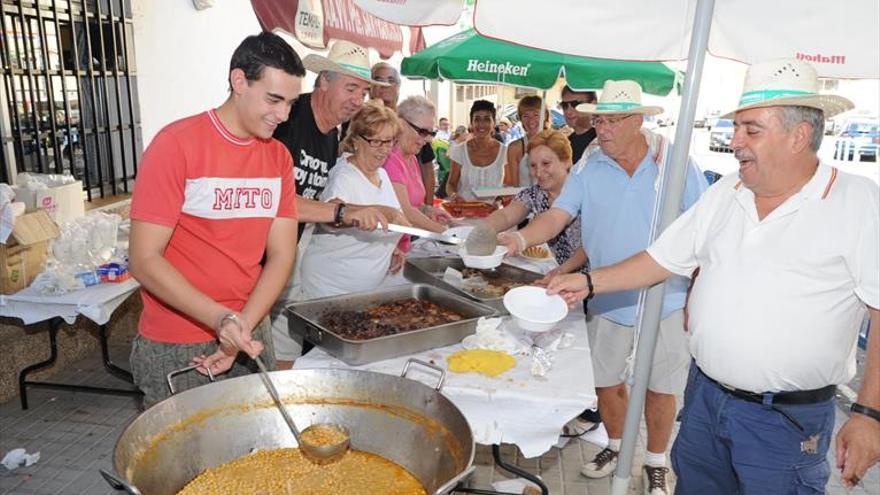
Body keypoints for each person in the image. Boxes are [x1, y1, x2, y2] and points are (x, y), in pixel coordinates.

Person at [547, 59, 880, 494]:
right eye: (736, 126)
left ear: (799, 136)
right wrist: (589, 283)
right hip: (705, 401)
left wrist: (868, 415)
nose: (735, 140)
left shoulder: (858, 202)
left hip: (783, 422)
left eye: (751, 129)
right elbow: (662, 258)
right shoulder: (729, 190)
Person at [500, 80, 708, 494]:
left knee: (660, 387)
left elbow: (703, 230)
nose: (603, 129)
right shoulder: (588, 167)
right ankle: (615, 445)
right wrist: (520, 239)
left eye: (613, 121)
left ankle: (654, 460)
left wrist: (698, 295)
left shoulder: (675, 162)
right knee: (607, 380)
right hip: (607, 294)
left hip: (667, 296)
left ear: (639, 121)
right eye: (600, 121)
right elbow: (558, 216)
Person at [127, 32, 304, 407]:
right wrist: (220, 319)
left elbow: (282, 255)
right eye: (273, 99)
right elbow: (144, 259)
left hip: (249, 329)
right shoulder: (176, 145)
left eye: (290, 102)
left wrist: (241, 325)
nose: (283, 115)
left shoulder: (278, 159)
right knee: (184, 462)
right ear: (238, 81)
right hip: (178, 338)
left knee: (264, 455)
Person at [272, 40, 397, 240]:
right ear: (324, 81)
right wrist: (342, 212)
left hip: (286, 249)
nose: (357, 100)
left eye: (363, 93)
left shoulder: (331, 136)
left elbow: (316, 203)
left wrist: (352, 211)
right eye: (351, 88)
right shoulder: (287, 118)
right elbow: (271, 196)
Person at [296, 101, 404, 299]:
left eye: (389, 141)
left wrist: (389, 246)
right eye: (376, 141)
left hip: (364, 290)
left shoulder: (382, 174)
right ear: (355, 140)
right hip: (329, 288)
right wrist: (371, 212)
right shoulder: (344, 175)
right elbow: (330, 215)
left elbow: (389, 223)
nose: (384, 149)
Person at [483, 129, 587, 274]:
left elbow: (591, 246)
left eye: (546, 164)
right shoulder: (535, 194)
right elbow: (506, 215)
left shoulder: (585, 193)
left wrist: (561, 271)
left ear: (566, 162)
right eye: (533, 165)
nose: (538, 173)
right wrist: (482, 230)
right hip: (566, 277)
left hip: (599, 279)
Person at [384, 96, 452, 252]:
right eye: (422, 132)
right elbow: (405, 211)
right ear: (400, 124)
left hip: (404, 245)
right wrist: (447, 234)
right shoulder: (390, 160)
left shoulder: (412, 158)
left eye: (431, 132)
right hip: (390, 250)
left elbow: (414, 206)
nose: (427, 139)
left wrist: (428, 210)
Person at [368, 61, 439, 210]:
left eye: (390, 80)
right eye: (378, 80)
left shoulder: (416, 128)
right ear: (370, 86)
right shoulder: (359, 121)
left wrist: (428, 208)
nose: (385, 85)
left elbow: (427, 166)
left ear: (398, 87)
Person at [446, 100, 506, 200]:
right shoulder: (459, 151)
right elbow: (451, 184)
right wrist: (454, 196)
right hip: (464, 211)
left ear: (494, 123)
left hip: (495, 213)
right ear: (471, 123)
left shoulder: (505, 152)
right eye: (477, 119)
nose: (481, 124)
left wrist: (499, 201)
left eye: (487, 119)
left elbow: (507, 186)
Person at [505, 95, 550, 187]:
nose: (531, 120)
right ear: (521, 119)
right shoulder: (515, 148)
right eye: (526, 116)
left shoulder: (558, 144)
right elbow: (515, 188)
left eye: (536, 115)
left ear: (545, 116)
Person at [560, 85, 598, 163]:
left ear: (593, 104)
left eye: (575, 104)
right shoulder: (566, 143)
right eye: (565, 105)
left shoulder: (603, 140)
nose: (568, 111)